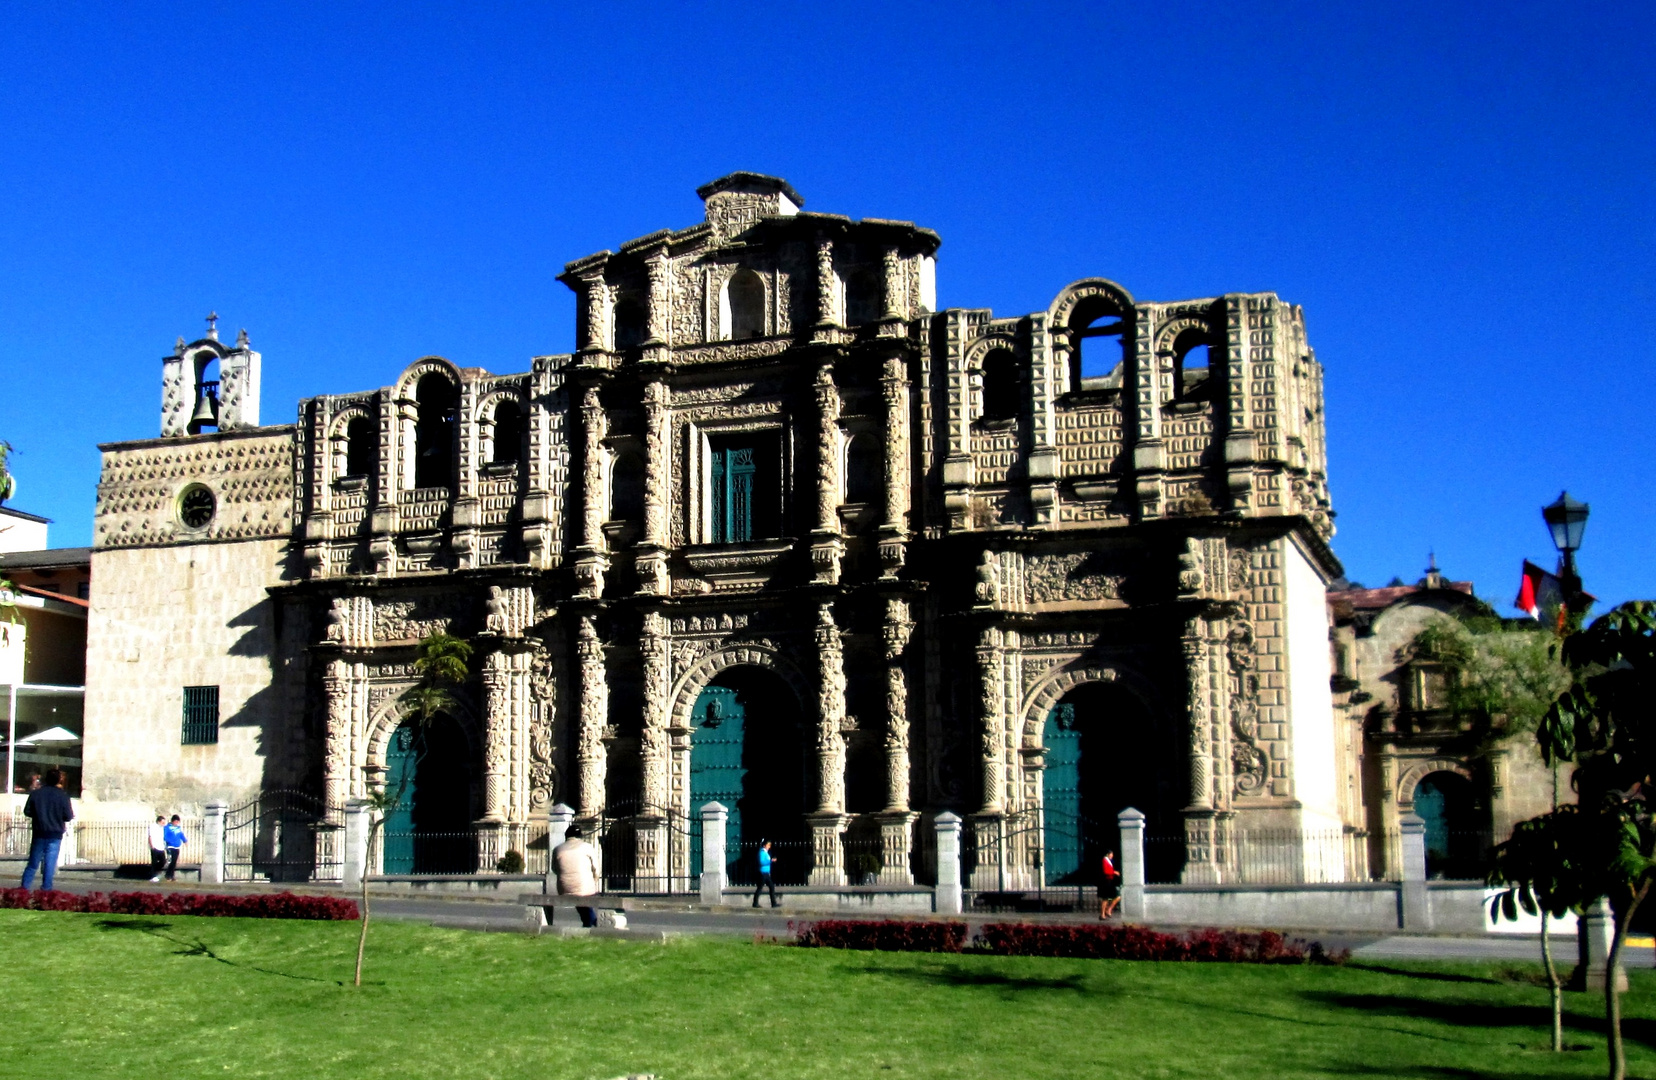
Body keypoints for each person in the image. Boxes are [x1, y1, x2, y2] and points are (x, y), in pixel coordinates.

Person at [21, 768, 74, 891]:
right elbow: (68, 816)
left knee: (33, 863)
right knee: (50, 863)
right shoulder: (63, 795)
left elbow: (27, 811)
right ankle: (46, 889)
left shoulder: (36, 794)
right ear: (58, 780)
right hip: (55, 833)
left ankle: (24, 888)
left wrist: (39, 814)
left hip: (39, 831)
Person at [551, 824, 600, 928]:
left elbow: (554, 869)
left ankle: (588, 922)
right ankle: (592, 921)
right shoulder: (587, 847)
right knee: (584, 896)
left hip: (564, 887)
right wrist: (594, 880)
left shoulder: (557, 849)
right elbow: (596, 868)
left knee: (580, 900)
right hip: (585, 886)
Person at [752, 839, 779, 908]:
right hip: (762, 873)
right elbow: (762, 862)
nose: (769, 846)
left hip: (766, 873)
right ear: (764, 845)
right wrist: (770, 861)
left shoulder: (765, 852)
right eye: (768, 845)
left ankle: (773, 903)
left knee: (771, 886)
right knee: (760, 887)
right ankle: (755, 903)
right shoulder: (762, 852)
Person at [162, 815, 188, 882]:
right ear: (173, 821)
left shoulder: (178, 828)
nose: (177, 823)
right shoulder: (167, 827)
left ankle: (172, 875)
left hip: (177, 846)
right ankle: (168, 875)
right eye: (176, 821)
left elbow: (181, 835)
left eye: (178, 822)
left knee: (174, 862)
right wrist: (170, 841)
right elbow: (165, 836)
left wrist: (185, 841)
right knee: (172, 861)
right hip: (170, 846)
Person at [1099, 848, 1122, 920]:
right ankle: (1102, 914)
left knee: (1117, 897)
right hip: (1106, 881)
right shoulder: (1104, 861)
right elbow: (1106, 871)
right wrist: (1114, 872)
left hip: (1110, 881)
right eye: (1111, 854)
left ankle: (1108, 909)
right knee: (1105, 898)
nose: (1112, 855)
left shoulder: (1109, 861)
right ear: (1107, 854)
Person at [147, 816, 168, 882]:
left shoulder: (163, 828)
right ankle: (153, 876)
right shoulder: (153, 826)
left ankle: (153, 872)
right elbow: (150, 836)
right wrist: (151, 845)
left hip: (161, 847)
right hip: (154, 846)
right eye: (162, 822)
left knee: (163, 861)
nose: (163, 824)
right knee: (154, 862)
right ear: (158, 821)